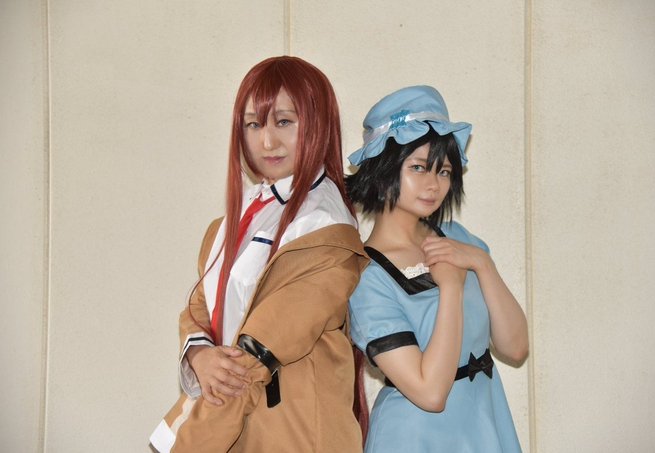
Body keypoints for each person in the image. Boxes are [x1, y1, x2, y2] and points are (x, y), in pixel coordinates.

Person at [150, 56, 368, 453]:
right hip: (238, 422)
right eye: (254, 124)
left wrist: (186, 442)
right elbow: (201, 305)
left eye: (284, 121)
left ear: (319, 124)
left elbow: (252, 360)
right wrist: (198, 353)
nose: (267, 141)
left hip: (294, 433)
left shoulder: (325, 230)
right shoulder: (236, 218)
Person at [345, 85, 529, 452]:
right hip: (414, 437)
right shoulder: (367, 277)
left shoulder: (459, 239)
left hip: (484, 424)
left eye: (443, 171)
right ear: (382, 171)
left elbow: (515, 347)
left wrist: (482, 263)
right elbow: (430, 394)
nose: (433, 184)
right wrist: (451, 288)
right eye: (418, 167)